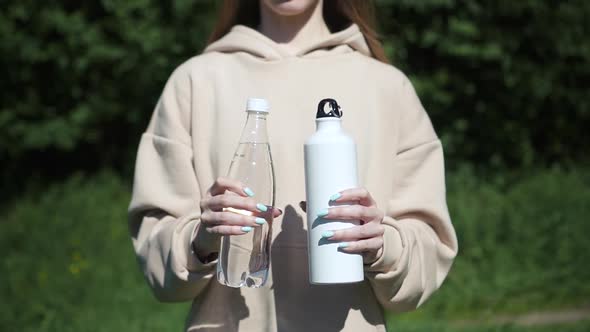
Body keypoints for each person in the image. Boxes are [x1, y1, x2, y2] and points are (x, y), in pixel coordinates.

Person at [127, 0, 458, 331]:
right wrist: (201, 240)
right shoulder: (194, 82)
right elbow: (158, 257)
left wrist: (383, 245)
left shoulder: (388, 88)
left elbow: (427, 255)